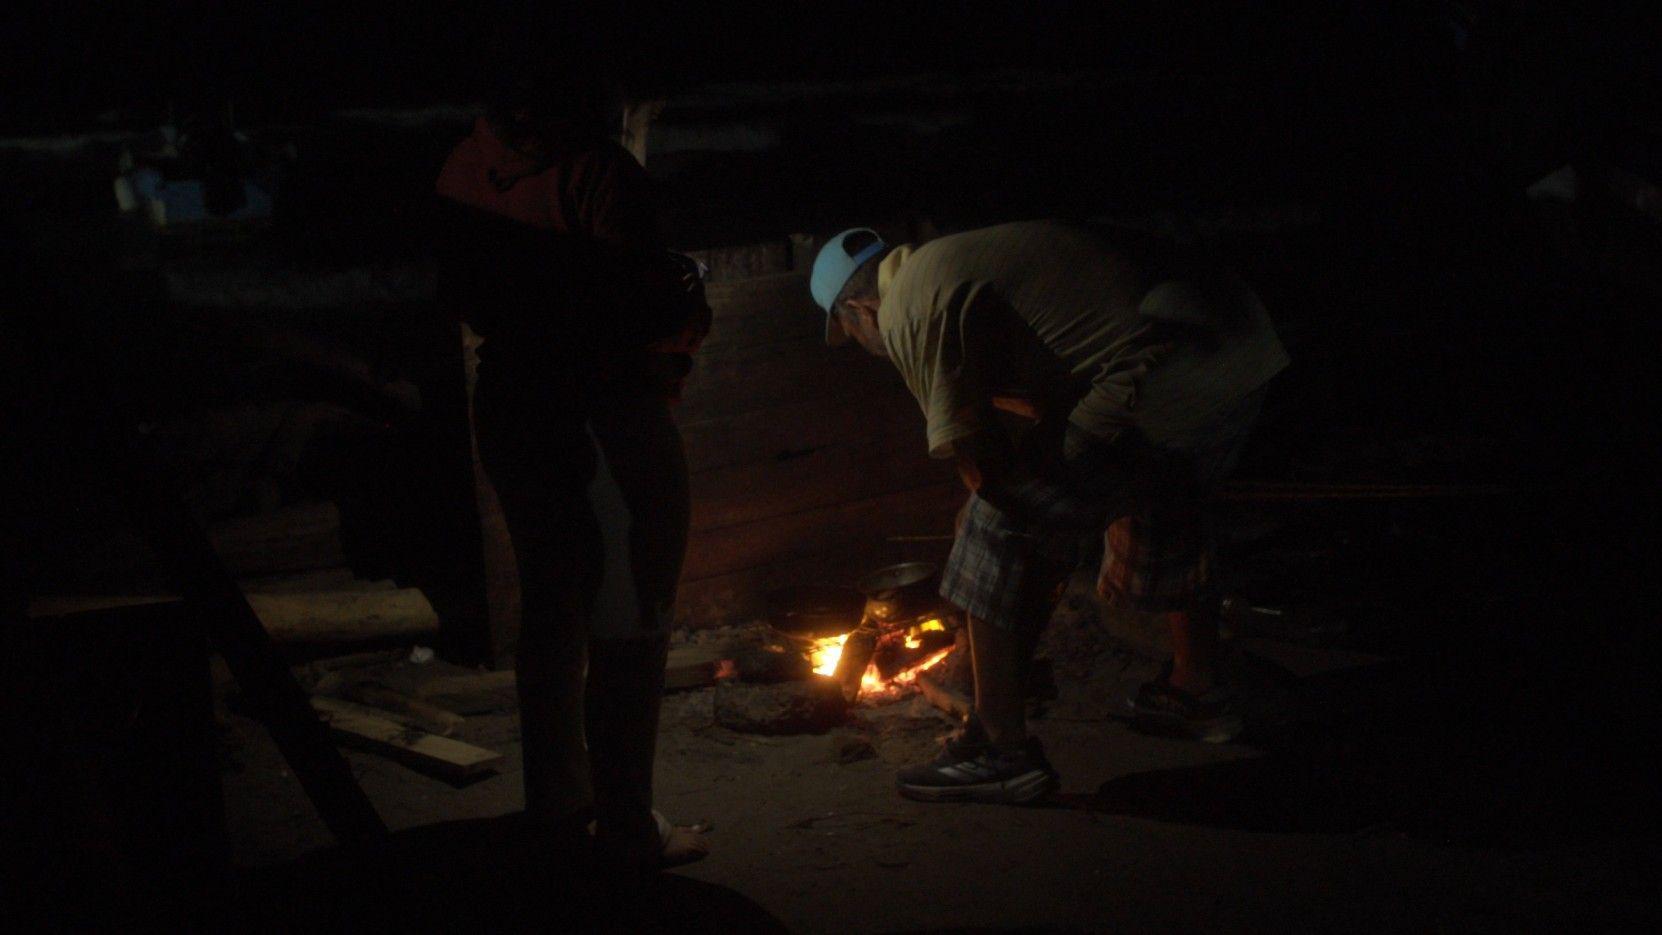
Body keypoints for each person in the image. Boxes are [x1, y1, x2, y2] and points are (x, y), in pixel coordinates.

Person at [808, 220, 1288, 804]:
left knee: (992, 528)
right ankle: (1198, 692)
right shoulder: (946, 263)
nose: (863, 347)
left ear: (858, 310)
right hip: (1236, 358)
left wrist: (991, 507)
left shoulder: (907, 308)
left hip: (1167, 376)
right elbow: (1056, 374)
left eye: (850, 334)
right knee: (1160, 489)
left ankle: (999, 750)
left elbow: (979, 465)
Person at [434, 67, 710, 875]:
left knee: (552, 614)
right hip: (603, 417)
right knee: (630, 617)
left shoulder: (462, 167)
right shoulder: (595, 172)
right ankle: (625, 830)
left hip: (513, 407)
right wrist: (686, 315)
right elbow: (643, 309)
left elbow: (460, 292)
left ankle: (557, 812)